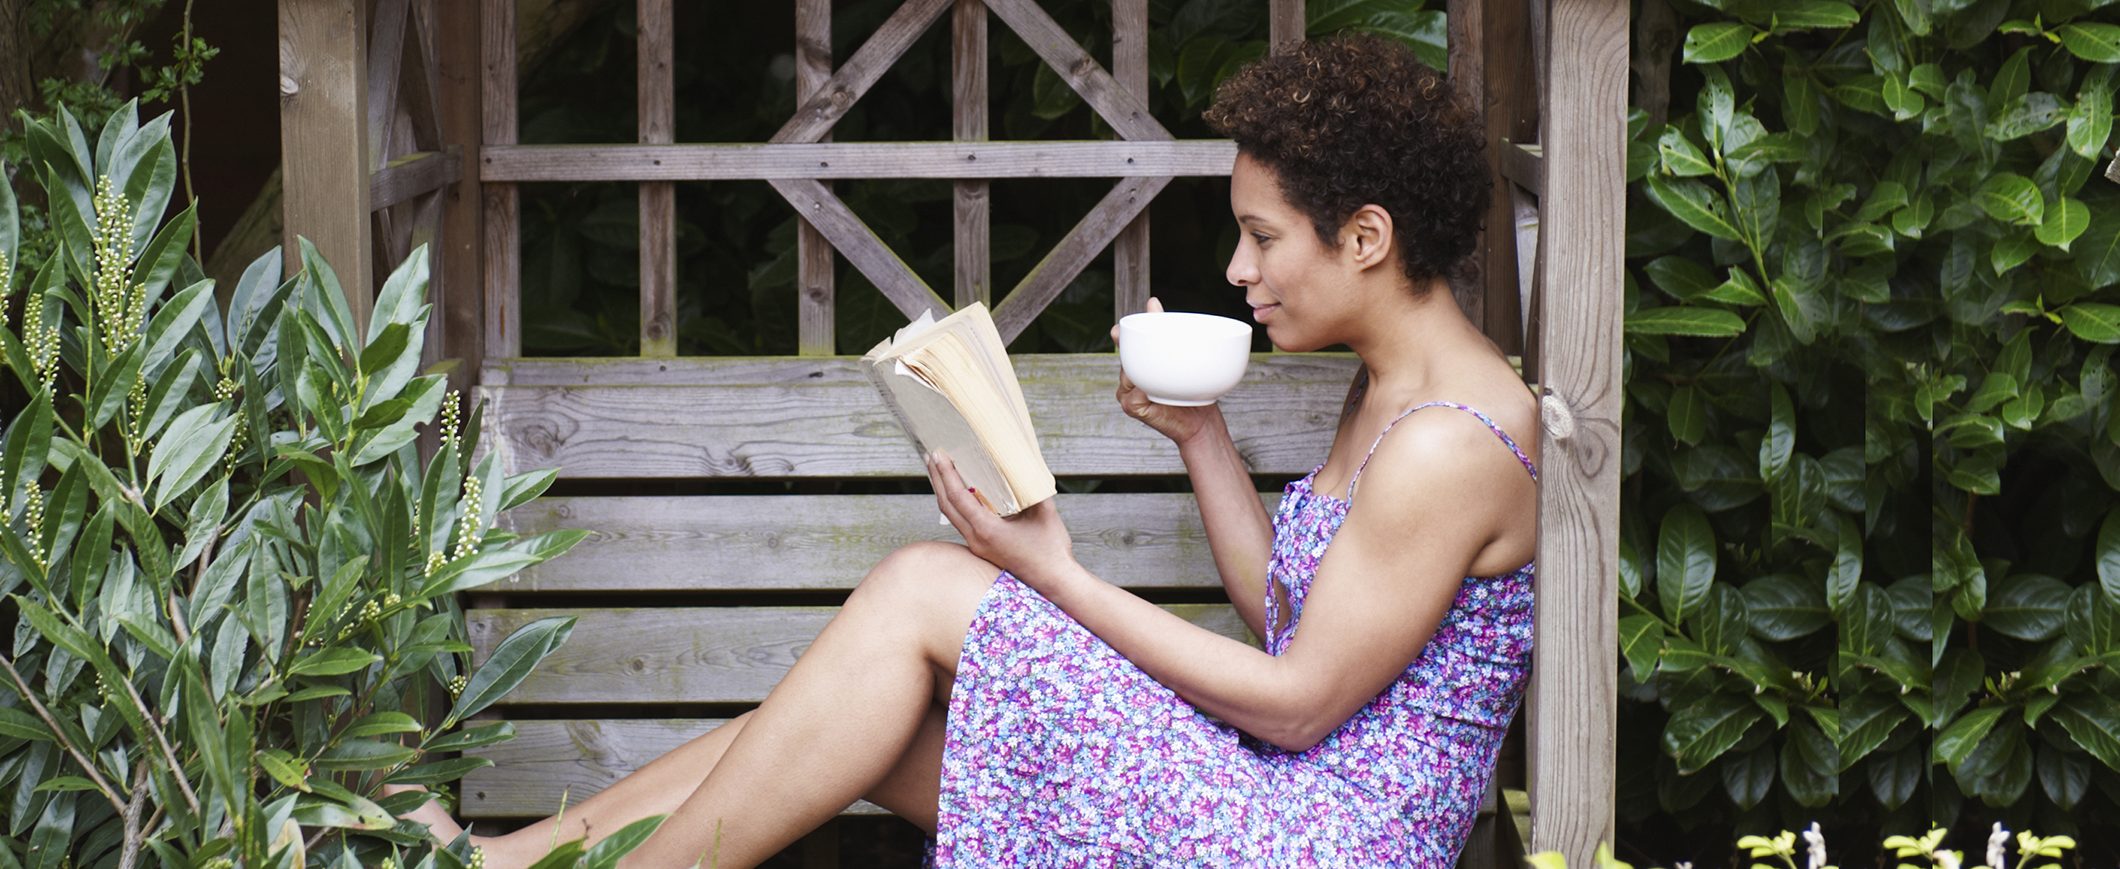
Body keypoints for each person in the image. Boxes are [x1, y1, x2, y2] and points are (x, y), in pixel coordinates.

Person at [395, 31, 1535, 868]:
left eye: (1260, 236)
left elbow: (1295, 703)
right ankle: (508, 860)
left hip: (1317, 838)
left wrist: (1054, 572)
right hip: (1271, 797)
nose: (1238, 269)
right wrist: (1202, 437)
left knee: (921, 588)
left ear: (1366, 236)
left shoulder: (1447, 442)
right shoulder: (1392, 385)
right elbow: (1286, 610)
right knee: (843, 717)